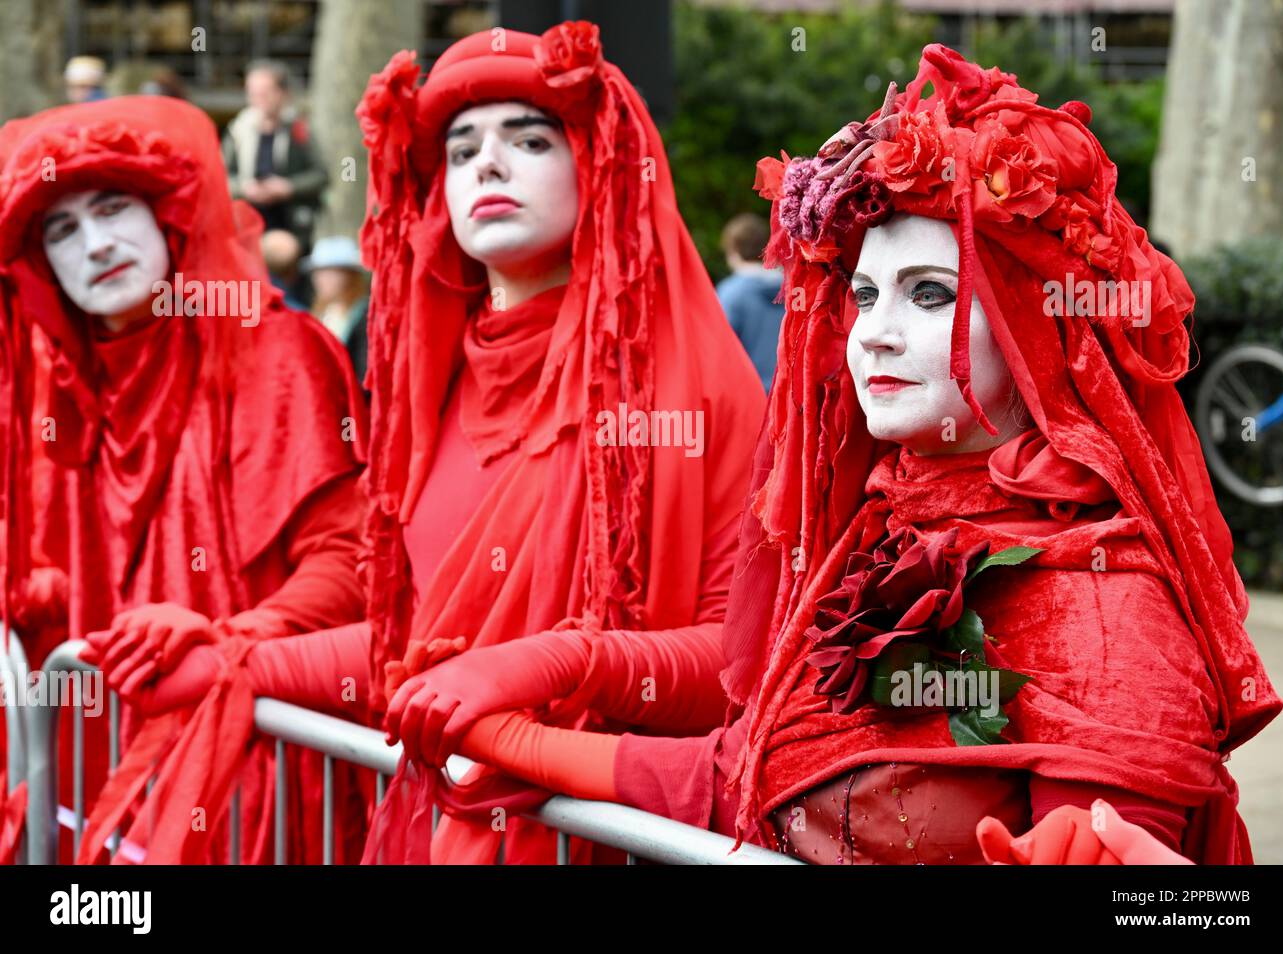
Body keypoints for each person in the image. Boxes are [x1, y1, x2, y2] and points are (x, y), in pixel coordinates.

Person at [409, 45, 1283, 865]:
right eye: (864, 295)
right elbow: (745, 781)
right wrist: (525, 737)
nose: (876, 335)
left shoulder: (1109, 602)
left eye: (930, 293)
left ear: (1037, 335)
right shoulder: (866, 538)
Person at [114, 21, 766, 865]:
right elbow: (410, 654)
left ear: (600, 165)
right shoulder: (430, 396)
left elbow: (735, 665)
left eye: (529, 138)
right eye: (461, 151)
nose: (487, 164)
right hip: (436, 832)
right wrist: (232, 655)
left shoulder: (701, 390)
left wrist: (559, 663)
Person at [0, 95, 370, 864]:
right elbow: (66, 580)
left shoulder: (276, 351)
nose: (95, 244)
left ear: (166, 217)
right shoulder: (70, 388)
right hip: (105, 782)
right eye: (61, 229)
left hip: (249, 773)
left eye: (112, 208)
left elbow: (349, 564)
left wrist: (232, 642)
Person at [222, 60, 327, 248]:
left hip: (290, 222)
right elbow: (221, 178)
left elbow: (321, 175)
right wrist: (245, 188)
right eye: (253, 93)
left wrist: (288, 187)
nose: (258, 99)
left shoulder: (298, 130)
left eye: (265, 93)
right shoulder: (238, 131)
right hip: (247, 221)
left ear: (283, 93)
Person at [716, 212, 784, 391]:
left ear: (734, 251)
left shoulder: (731, 293)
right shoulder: (792, 289)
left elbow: (720, 352)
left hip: (748, 396)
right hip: (786, 396)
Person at [305, 236, 369, 384]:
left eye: (330, 272)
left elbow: (363, 371)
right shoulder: (320, 313)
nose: (321, 279)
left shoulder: (363, 315)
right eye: (318, 272)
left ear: (349, 275)